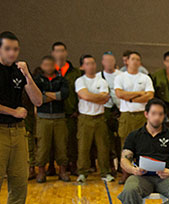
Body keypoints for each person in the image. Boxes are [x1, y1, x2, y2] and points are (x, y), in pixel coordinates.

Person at [0, 31, 42, 204]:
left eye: (15, 49)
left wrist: (27, 76)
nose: (12, 53)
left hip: (18, 132)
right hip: (0, 131)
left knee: (19, 183)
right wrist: (13, 111)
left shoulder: (19, 71)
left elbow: (38, 100)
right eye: (7, 49)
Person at [114, 51, 154, 183]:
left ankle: (143, 173)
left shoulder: (145, 78)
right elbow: (119, 94)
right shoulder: (120, 77)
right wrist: (138, 94)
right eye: (133, 59)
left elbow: (149, 95)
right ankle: (125, 172)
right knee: (125, 145)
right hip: (127, 115)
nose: (135, 62)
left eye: (138, 59)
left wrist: (129, 97)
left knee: (144, 145)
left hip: (142, 115)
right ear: (127, 61)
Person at [75, 54, 112, 183]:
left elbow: (105, 96)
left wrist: (91, 97)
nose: (91, 66)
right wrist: (99, 98)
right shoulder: (80, 81)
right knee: (83, 147)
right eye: (88, 63)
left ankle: (105, 172)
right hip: (85, 118)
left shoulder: (101, 81)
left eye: (93, 63)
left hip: (99, 117)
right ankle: (82, 172)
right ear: (82, 66)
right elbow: (84, 95)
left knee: (103, 146)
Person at [34, 55, 70, 183]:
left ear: (54, 65)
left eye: (50, 64)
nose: (48, 67)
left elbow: (64, 94)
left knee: (61, 145)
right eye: (45, 65)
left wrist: (46, 94)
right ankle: (41, 171)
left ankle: (62, 170)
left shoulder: (61, 79)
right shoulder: (37, 80)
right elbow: (38, 97)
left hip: (59, 118)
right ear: (42, 66)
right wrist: (53, 96)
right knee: (43, 146)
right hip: (43, 118)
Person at [51, 42, 81, 174]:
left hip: (70, 113)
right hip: (54, 112)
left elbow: (79, 93)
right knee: (52, 142)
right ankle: (51, 166)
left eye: (62, 51)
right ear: (53, 53)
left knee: (71, 141)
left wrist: (76, 110)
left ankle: (72, 164)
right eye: (57, 51)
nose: (60, 54)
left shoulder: (75, 73)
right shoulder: (48, 70)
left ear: (66, 53)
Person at [100, 52, 122, 168]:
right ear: (103, 62)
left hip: (120, 109)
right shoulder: (99, 76)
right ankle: (110, 166)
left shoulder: (121, 75)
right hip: (105, 110)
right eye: (106, 61)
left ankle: (122, 164)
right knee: (107, 140)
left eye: (111, 61)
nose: (109, 63)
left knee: (121, 138)